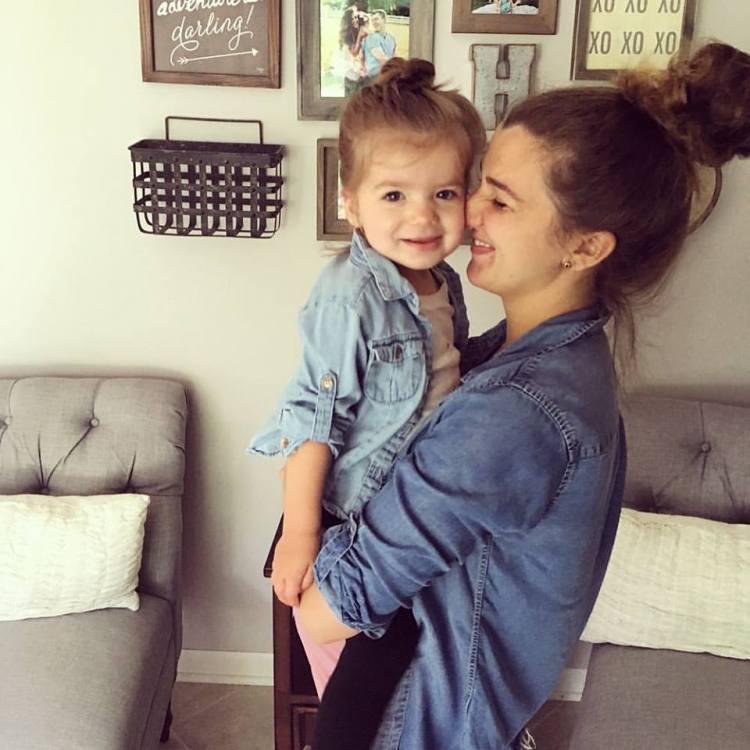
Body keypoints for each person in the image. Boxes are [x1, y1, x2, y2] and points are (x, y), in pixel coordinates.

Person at [299, 41, 750, 750]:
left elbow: (326, 612)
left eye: (500, 199)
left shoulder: (515, 411)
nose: (468, 210)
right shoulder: (543, 362)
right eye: (480, 182)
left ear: (584, 248)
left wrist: (305, 522)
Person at [248, 58, 486, 698]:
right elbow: (314, 418)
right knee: (359, 677)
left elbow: (448, 374)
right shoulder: (349, 295)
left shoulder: (442, 282)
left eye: (444, 194)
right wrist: (300, 533)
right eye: (394, 195)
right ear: (350, 202)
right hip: (350, 517)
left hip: (412, 508)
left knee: (417, 665)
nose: (423, 217)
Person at [333, 5, 368, 97]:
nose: (356, 20)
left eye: (356, 17)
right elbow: (354, 53)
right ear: (348, 21)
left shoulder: (354, 32)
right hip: (352, 76)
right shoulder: (347, 36)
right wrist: (359, 37)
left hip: (354, 76)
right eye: (353, 18)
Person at [361, 10, 397, 87]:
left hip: (388, 74)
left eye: (376, 19)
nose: (374, 22)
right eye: (372, 20)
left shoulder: (391, 38)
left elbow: (394, 56)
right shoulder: (371, 37)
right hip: (374, 77)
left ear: (384, 20)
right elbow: (381, 58)